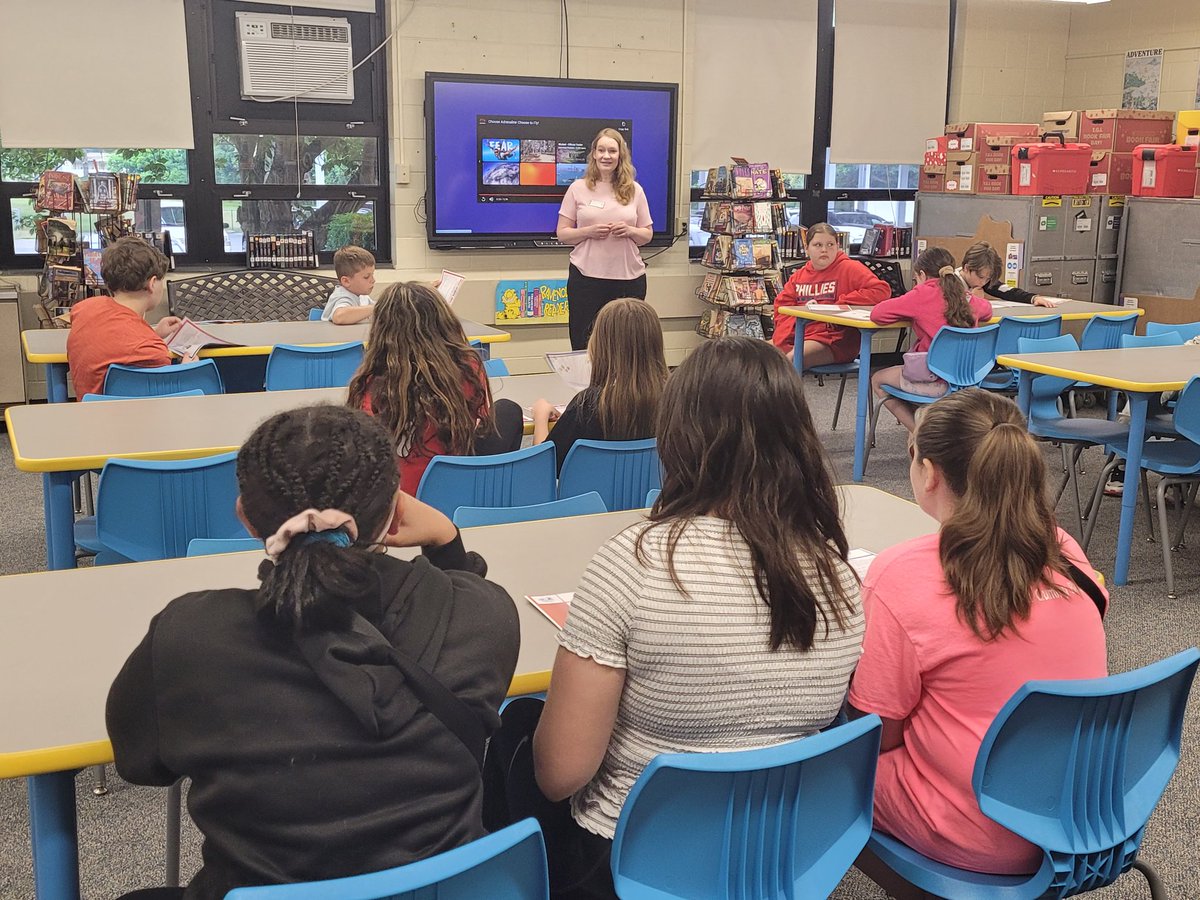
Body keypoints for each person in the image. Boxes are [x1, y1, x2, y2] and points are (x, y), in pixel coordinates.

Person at [106, 405, 521, 900]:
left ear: (245, 517)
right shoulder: (485, 617)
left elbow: (140, 764)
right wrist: (447, 541)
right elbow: (461, 599)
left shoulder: (189, 636)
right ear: (396, 512)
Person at [531, 337, 864, 898]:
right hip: (778, 856)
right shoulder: (839, 578)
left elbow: (561, 773)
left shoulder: (632, 563)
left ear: (677, 437)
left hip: (634, 861)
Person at [849, 389, 1107, 895]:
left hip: (979, 836)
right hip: (1081, 816)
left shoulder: (901, 575)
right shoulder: (1065, 551)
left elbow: (877, 735)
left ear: (929, 472)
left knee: (818, 763)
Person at [346, 281, 523, 495]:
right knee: (507, 411)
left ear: (381, 330)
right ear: (444, 323)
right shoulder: (467, 368)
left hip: (394, 497)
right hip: (452, 488)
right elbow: (478, 423)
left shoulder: (369, 384)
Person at [530, 298, 667, 472]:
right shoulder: (675, 402)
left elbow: (542, 466)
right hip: (655, 490)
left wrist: (541, 418)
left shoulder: (588, 405)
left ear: (600, 346)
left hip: (591, 490)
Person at [869, 247, 994, 432]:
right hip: (967, 382)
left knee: (878, 379)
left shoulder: (921, 294)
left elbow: (877, 314)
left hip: (933, 381)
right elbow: (988, 311)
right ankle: (927, 427)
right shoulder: (965, 297)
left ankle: (919, 433)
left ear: (921, 274)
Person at [557, 128, 653, 351]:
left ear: (621, 155)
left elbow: (647, 234)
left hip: (629, 279)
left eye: (612, 151)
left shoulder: (635, 190)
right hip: (586, 279)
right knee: (584, 344)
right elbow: (563, 233)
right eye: (601, 150)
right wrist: (588, 232)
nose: (606, 156)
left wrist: (630, 231)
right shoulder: (577, 188)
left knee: (627, 346)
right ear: (593, 154)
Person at [66, 236, 190, 398]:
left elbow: (114, 340)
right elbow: (165, 397)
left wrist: (154, 334)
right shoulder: (152, 351)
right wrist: (187, 370)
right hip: (137, 413)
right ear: (152, 283)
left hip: (89, 411)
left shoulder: (83, 310)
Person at [771, 223, 890, 366]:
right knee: (758, 354)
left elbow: (881, 290)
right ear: (807, 248)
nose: (824, 250)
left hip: (834, 340)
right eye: (818, 245)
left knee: (791, 359)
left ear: (838, 246)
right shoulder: (799, 276)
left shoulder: (850, 268)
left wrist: (843, 303)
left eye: (830, 245)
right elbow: (782, 306)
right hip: (800, 334)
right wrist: (789, 332)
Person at [960, 241, 1057, 308]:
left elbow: (1008, 291)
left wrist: (1033, 298)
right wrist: (973, 301)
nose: (983, 283)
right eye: (980, 277)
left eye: (988, 279)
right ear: (966, 268)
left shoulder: (983, 282)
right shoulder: (952, 283)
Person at [322, 245, 377, 324]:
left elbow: (378, 309)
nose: (373, 280)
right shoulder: (342, 297)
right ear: (346, 281)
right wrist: (376, 308)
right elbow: (339, 316)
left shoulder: (362, 296)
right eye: (366, 277)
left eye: (372, 275)